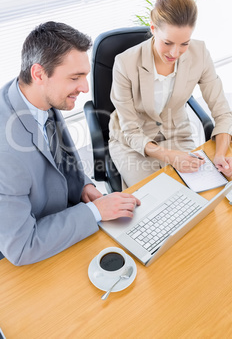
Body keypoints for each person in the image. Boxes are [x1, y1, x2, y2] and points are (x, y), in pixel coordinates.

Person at [0, 21, 140, 266]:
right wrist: (96, 212)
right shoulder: (6, 152)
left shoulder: (36, 97)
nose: (85, 88)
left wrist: (83, 185)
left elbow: (60, 160)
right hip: (30, 251)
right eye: (75, 77)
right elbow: (23, 247)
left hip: (62, 220)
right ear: (39, 74)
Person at [109, 0, 232, 188]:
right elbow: (131, 131)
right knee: (154, 199)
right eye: (167, 43)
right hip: (133, 143)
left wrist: (220, 154)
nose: (175, 53)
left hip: (176, 134)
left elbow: (222, 112)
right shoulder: (125, 63)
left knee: (201, 194)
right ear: (153, 29)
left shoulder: (200, 54)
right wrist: (169, 156)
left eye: (184, 43)